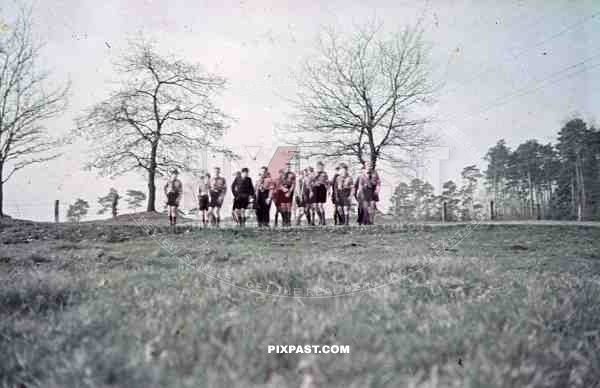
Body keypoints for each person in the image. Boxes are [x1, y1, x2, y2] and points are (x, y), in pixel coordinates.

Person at [311, 161, 329, 225]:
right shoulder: (314, 173)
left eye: (321, 166)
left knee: (321, 205)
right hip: (315, 189)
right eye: (319, 166)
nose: (320, 168)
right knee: (315, 206)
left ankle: (323, 221)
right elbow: (311, 182)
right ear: (317, 167)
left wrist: (328, 189)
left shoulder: (325, 174)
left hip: (322, 189)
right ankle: (320, 218)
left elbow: (327, 182)